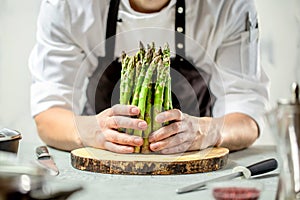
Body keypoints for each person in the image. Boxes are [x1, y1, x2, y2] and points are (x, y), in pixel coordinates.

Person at [29, 0, 269, 154]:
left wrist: (207, 131)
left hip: (195, 168)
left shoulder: (229, 6)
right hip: (103, 164)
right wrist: (91, 130)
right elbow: (48, 113)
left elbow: (247, 118)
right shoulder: (70, 5)